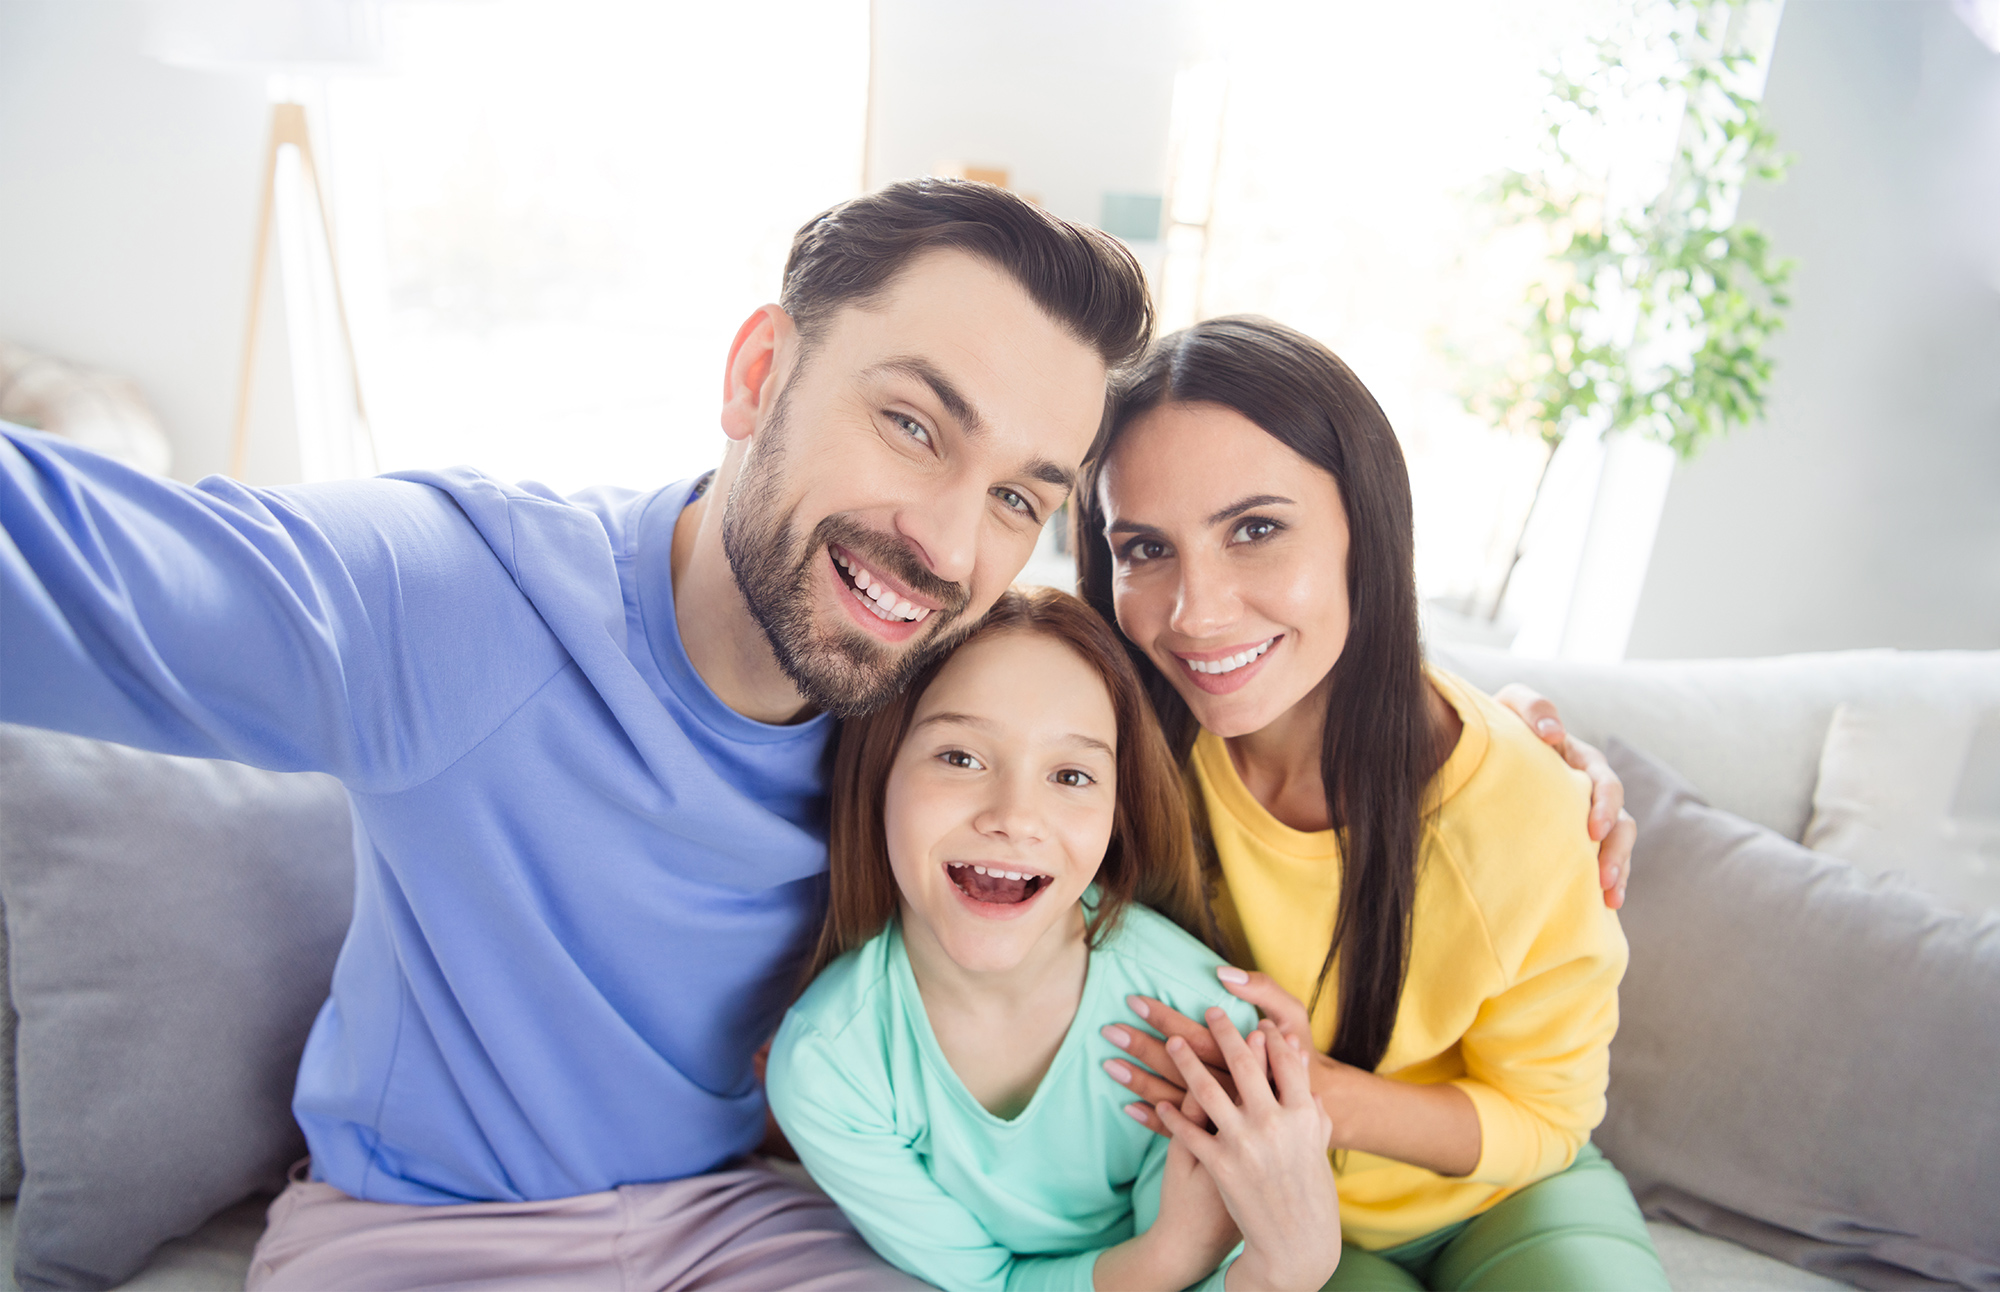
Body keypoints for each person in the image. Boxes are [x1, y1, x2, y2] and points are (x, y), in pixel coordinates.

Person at [0, 177, 1626, 1288]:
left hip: (770, 1220)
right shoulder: (463, 603)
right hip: (434, 1230)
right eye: (909, 420)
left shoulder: (961, 684)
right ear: (759, 367)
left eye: (1015, 495)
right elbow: (68, 560)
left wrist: (1552, 752)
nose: (941, 535)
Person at [1075, 316, 1672, 1290]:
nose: (1194, 610)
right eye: (1145, 547)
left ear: (1368, 524)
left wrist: (1317, 1096)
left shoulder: (1522, 806)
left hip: (1499, 1197)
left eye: (1255, 529)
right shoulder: (1108, 750)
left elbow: (1543, 1117)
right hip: (1259, 1212)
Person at [768, 587, 1340, 1292]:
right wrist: (1169, 1255)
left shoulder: (1193, 1018)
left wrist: (1284, 1264)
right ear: (881, 770)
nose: (1015, 817)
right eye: (960, 757)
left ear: (1114, 813)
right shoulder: (830, 1066)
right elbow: (986, 1285)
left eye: (1071, 775)